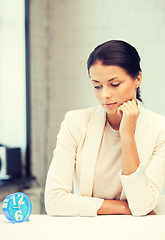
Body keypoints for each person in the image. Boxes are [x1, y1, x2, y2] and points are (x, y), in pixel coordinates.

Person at [45, 40, 165, 217]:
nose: (105, 95)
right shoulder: (75, 123)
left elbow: (141, 205)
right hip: (91, 230)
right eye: (97, 86)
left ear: (137, 79)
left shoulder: (159, 129)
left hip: (141, 231)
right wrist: (123, 208)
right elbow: (54, 201)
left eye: (114, 84)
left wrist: (127, 135)